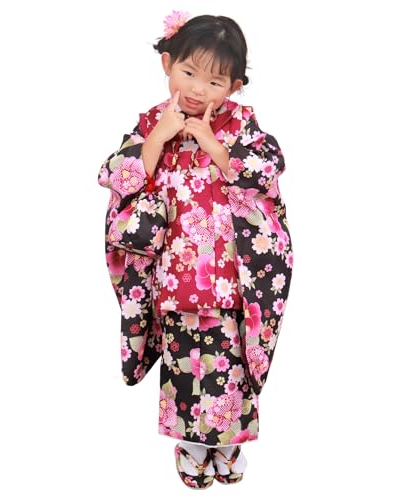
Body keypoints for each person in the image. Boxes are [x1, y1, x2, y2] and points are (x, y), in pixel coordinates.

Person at [97, 11, 294, 490]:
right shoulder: (152, 122)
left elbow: (269, 168)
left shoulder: (242, 126)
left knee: (229, 362)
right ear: (168, 64)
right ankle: (191, 444)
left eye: (215, 81)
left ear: (234, 86)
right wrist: (159, 137)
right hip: (175, 272)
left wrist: (214, 145)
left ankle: (228, 441)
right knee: (184, 362)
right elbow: (113, 174)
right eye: (189, 72)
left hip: (232, 273)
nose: (199, 89)